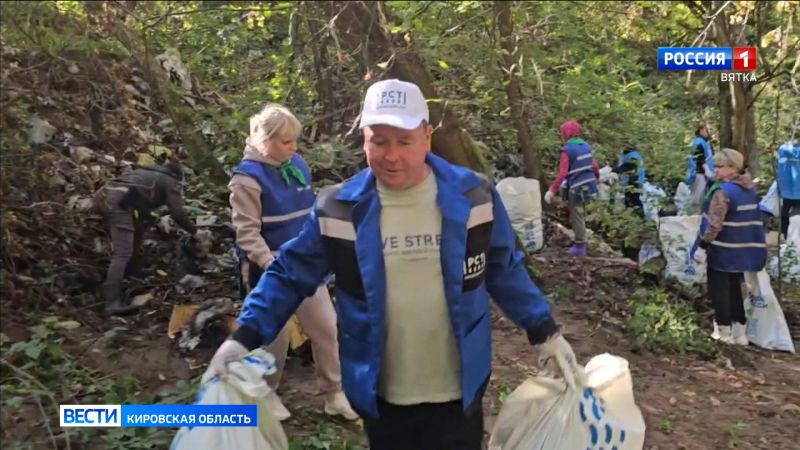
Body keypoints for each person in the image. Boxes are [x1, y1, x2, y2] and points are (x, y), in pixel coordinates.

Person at [209, 79, 580, 450]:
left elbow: (503, 268)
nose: (391, 155)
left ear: (426, 136)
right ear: (364, 140)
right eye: (379, 140)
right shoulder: (340, 209)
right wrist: (243, 338)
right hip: (379, 392)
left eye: (404, 141)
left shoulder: (474, 197)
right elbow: (289, 274)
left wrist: (544, 330)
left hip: (458, 388)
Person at [227, 103, 358, 421]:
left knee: (327, 327)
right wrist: (271, 264)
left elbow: (309, 212)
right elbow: (247, 233)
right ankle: (267, 393)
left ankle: (334, 393)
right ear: (265, 140)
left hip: (306, 263)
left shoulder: (297, 164)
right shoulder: (246, 180)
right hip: (269, 267)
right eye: (286, 142)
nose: (293, 147)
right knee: (274, 336)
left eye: (294, 140)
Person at [98, 159, 202, 315]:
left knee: (138, 228)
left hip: (106, 196)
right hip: (119, 203)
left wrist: (153, 219)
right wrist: (195, 232)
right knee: (122, 252)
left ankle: (133, 269)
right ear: (177, 176)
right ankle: (112, 301)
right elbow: (178, 214)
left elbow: (139, 201)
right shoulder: (169, 180)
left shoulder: (145, 173)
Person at [691, 148, 766, 346]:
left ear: (732, 167)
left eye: (719, 167)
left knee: (719, 290)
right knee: (734, 287)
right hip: (743, 249)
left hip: (723, 249)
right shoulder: (748, 189)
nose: (715, 170)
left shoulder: (723, 192)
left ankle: (723, 332)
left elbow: (715, 223)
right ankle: (740, 333)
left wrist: (702, 246)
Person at [543, 120, 600, 256]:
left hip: (577, 188)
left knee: (577, 216)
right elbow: (594, 166)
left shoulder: (567, 150)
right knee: (581, 214)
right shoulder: (586, 146)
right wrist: (597, 179)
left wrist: (552, 190)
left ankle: (580, 247)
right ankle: (580, 240)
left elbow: (563, 173)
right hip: (589, 185)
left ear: (566, 134)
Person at [686, 120, 715, 211]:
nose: (710, 132)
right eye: (708, 129)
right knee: (697, 199)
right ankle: (693, 215)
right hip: (700, 174)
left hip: (704, 174)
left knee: (704, 198)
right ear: (701, 129)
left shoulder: (704, 142)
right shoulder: (698, 142)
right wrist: (707, 170)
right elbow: (700, 158)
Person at [613, 145, 646, 217]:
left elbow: (629, 166)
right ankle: (631, 217)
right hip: (628, 181)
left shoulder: (633, 155)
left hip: (633, 181)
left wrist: (616, 170)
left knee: (634, 200)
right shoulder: (627, 155)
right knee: (629, 200)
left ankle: (638, 216)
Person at [776, 140, 800, 237]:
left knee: (786, 215)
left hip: (785, 191)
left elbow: (778, 166)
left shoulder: (783, 149)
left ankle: (786, 237)